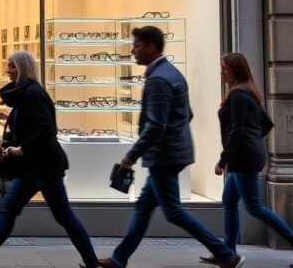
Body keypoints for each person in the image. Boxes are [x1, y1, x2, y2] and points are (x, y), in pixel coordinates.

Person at [99, 26, 244, 268]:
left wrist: (133, 154)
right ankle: (118, 259)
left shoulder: (158, 79)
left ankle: (226, 254)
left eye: (137, 45)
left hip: (165, 156)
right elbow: (187, 114)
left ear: (152, 47)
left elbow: (156, 124)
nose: (132, 50)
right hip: (171, 153)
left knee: (173, 211)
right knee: (144, 208)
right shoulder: (171, 73)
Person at [0, 50, 99, 268]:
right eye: (8, 66)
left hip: (45, 166)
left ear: (23, 68)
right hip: (32, 166)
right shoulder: (25, 94)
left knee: (64, 216)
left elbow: (48, 129)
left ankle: (92, 262)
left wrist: (22, 149)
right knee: (9, 208)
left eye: (12, 66)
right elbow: (31, 128)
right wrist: (14, 146)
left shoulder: (32, 94)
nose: (8, 70)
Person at [207, 53, 293, 268]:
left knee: (254, 207)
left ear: (236, 71)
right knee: (229, 202)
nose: (221, 72)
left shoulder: (239, 94)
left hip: (242, 159)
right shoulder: (247, 92)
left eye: (224, 68)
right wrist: (252, 141)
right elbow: (265, 123)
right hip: (244, 157)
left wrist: (223, 160)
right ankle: (228, 253)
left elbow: (237, 131)